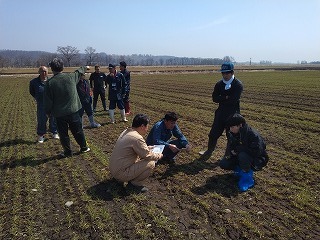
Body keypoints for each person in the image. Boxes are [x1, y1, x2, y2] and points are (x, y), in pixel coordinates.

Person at [44, 58, 91, 157]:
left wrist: (48, 112)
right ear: (63, 67)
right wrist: (85, 67)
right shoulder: (71, 77)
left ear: (52, 69)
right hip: (74, 111)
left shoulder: (49, 83)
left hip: (59, 114)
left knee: (63, 134)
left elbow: (48, 101)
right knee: (78, 131)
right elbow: (79, 71)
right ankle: (84, 147)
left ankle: (68, 152)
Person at [199, 62, 243, 161]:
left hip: (233, 114)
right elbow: (214, 98)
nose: (224, 75)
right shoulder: (219, 84)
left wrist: (222, 98)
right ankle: (209, 150)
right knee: (213, 134)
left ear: (232, 72)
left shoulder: (238, 84)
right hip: (220, 113)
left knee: (231, 136)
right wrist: (226, 97)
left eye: (227, 73)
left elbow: (233, 100)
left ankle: (227, 156)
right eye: (223, 73)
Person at [109, 113, 163, 193]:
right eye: (147, 126)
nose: (147, 129)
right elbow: (147, 156)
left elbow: (136, 149)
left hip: (114, 169)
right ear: (142, 126)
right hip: (120, 173)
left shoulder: (127, 131)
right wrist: (159, 155)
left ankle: (122, 178)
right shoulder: (137, 138)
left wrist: (148, 148)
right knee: (151, 163)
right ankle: (134, 185)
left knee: (140, 159)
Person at [219, 113, 269, 192]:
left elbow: (256, 151)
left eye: (232, 127)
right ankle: (240, 171)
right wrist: (231, 153)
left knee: (243, 155)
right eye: (229, 127)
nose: (230, 129)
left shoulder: (252, 135)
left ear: (240, 125)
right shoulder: (233, 133)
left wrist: (238, 149)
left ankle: (247, 178)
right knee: (224, 163)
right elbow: (231, 146)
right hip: (241, 156)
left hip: (257, 159)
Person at [29, 66, 59, 143]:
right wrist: (37, 98)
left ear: (48, 72)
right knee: (42, 119)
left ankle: (54, 132)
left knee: (53, 118)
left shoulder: (52, 80)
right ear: (39, 72)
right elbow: (32, 91)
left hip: (52, 103)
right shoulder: (34, 82)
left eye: (45, 71)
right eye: (42, 71)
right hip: (42, 104)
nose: (44, 73)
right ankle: (41, 135)